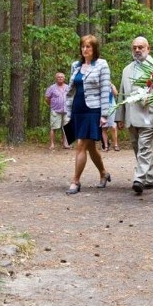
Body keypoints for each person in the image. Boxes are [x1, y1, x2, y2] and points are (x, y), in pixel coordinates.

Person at [115, 37, 153, 195]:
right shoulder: (127, 70)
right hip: (131, 117)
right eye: (134, 48)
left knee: (144, 148)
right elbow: (122, 94)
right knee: (137, 148)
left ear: (148, 48)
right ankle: (150, 178)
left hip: (149, 116)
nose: (137, 50)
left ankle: (138, 179)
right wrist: (120, 116)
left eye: (141, 47)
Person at [65, 35, 112, 194]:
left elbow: (105, 90)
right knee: (90, 147)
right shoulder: (75, 66)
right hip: (77, 109)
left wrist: (104, 114)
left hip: (93, 110)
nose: (85, 49)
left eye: (88, 47)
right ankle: (104, 173)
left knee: (81, 145)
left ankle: (75, 181)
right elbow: (71, 91)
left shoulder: (102, 65)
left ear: (94, 49)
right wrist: (67, 110)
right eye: (83, 46)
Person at [44, 71, 71, 150]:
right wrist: (52, 105)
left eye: (61, 77)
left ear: (64, 78)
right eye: (58, 77)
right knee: (54, 128)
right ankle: (52, 144)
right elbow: (47, 98)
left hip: (66, 110)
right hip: (55, 110)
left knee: (66, 128)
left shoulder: (68, 87)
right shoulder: (52, 88)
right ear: (56, 78)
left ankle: (65, 144)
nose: (60, 78)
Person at [101, 83, 120, 151]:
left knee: (114, 127)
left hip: (112, 107)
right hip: (102, 108)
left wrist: (112, 85)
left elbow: (116, 94)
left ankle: (116, 145)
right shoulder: (100, 85)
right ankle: (106, 146)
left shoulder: (111, 85)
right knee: (104, 127)